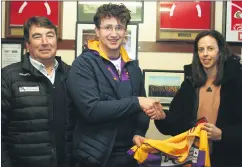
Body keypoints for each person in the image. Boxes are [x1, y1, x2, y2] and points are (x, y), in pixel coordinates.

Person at [66, 3, 165, 167]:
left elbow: (142, 110)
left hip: (129, 154)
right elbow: (91, 110)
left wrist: (139, 132)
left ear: (125, 31)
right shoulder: (83, 65)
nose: (114, 33)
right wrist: (137, 102)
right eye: (107, 28)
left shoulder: (132, 67)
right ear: (97, 31)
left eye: (119, 27)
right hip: (95, 157)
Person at [152, 30, 242, 167]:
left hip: (229, 159)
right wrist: (162, 117)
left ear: (221, 51)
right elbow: (176, 126)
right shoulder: (190, 82)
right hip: (194, 160)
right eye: (201, 49)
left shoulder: (237, 81)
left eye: (210, 49)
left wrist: (223, 135)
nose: (205, 54)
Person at [1, 16, 74, 167]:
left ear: (56, 41)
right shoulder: (8, 77)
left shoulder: (71, 74)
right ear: (27, 44)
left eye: (50, 35)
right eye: (37, 36)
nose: (45, 42)